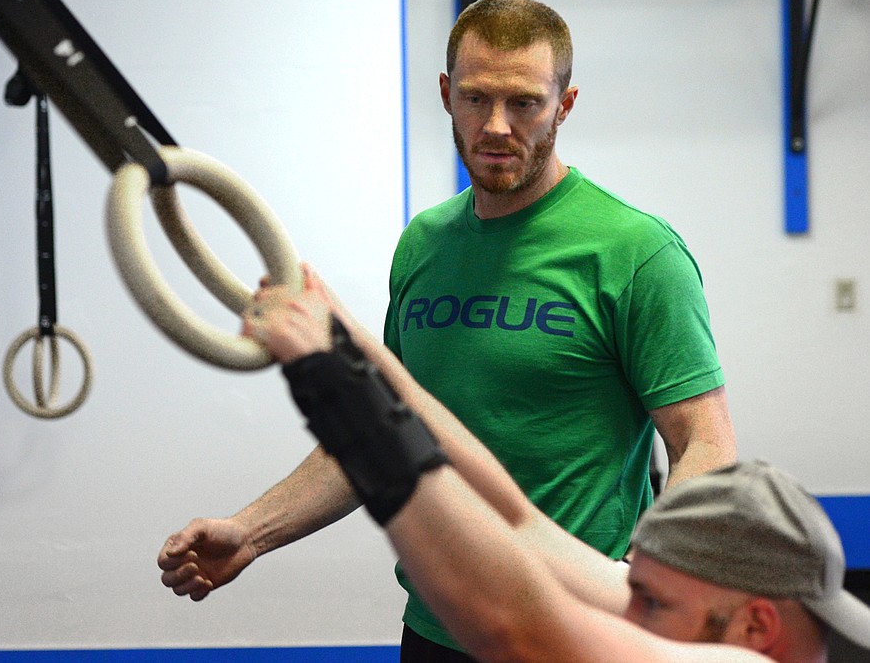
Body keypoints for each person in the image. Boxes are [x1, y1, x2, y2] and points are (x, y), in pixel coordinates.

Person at [158, 0, 738, 660]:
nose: (495, 125)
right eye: (476, 98)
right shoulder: (424, 244)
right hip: (440, 625)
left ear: (565, 103)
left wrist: (648, 577)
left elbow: (707, 444)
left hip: (580, 627)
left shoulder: (635, 251)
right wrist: (250, 531)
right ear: (445, 94)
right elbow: (383, 425)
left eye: (524, 103)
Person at [242, 271, 870, 663]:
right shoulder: (704, 621)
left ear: (756, 623)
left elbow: (513, 630)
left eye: (651, 602)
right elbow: (516, 520)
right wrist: (352, 342)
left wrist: (329, 387)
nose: (630, 608)